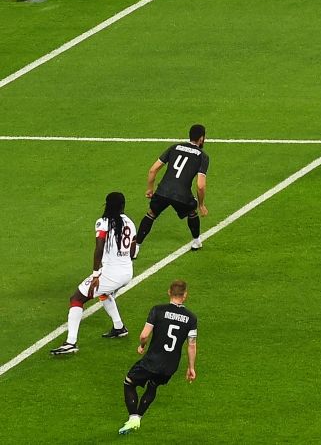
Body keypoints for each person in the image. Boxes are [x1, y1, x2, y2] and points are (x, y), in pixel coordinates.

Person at [50, 192, 136, 355]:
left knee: (76, 298)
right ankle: (119, 327)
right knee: (103, 294)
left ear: (107, 205)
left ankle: (71, 342)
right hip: (127, 271)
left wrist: (96, 275)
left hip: (111, 273)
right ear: (123, 206)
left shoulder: (103, 223)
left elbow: (99, 248)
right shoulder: (130, 222)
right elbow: (133, 249)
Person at [118, 280, 198, 435]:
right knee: (153, 385)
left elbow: (144, 335)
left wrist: (142, 346)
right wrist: (191, 367)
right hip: (170, 366)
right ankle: (138, 418)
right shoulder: (191, 318)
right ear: (185, 295)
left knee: (129, 382)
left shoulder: (158, 310)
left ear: (169, 292)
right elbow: (192, 345)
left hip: (152, 361)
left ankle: (134, 417)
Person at [134, 124, 209, 256]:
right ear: (201, 138)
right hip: (182, 195)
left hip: (163, 191)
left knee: (151, 214)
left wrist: (150, 189)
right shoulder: (203, 156)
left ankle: (136, 247)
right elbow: (200, 185)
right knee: (192, 211)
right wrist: (201, 204)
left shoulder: (175, 147)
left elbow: (153, 170)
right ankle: (196, 241)